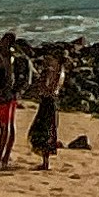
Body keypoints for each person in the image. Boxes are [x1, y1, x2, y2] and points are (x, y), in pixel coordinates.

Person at [27, 40, 68, 172]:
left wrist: (41, 85)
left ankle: (45, 162)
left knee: (44, 130)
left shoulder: (53, 71)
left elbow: (48, 87)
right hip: (52, 101)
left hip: (48, 101)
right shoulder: (61, 71)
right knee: (49, 130)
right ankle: (45, 161)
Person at [0, 33, 23, 171]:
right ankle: (3, 157)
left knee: (5, 127)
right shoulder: (5, 57)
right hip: (5, 95)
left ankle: (1, 158)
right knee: (6, 126)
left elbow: (9, 78)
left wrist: (4, 93)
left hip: (5, 97)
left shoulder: (8, 58)